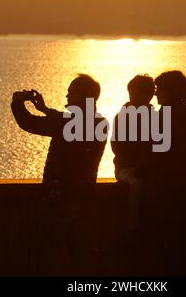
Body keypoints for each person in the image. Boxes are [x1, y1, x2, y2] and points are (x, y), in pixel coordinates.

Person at [11, 74, 108, 275]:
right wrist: (45, 109)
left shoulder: (65, 123)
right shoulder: (101, 123)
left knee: (56, 251)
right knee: (83, 253)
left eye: (71, 90)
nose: (67, 93)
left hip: (61, 198)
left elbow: (28, 123)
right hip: (87, 198)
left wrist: (17, 101)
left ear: (81, 96)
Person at [139, 70, 186, 276]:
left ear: (171, 91)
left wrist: (140, 170)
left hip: (165, 194)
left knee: (163, 251)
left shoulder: (163, 118)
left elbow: (150, 153)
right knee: (184, 248)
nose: (156, 95)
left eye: (160, 90)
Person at [111, 74, 155, 233]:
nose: (134, 98)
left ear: (150, 95)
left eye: (139, 94)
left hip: (144, 169)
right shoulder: (122, 116)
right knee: (136, 186)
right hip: (125, 168)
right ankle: (132, 227)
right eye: (132, 94)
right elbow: (116, 146)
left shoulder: (155, 117)